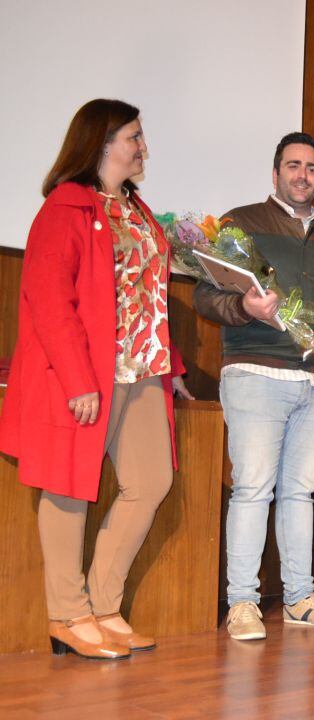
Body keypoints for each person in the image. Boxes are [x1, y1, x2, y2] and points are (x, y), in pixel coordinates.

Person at [0, 99, 183, 659]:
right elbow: (50, 301)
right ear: (101, 143)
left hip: (142, 371)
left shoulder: (137, 210)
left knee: (152, 481)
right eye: (133, 136)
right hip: (83, 374)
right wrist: (80, 379)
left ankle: (103, 605)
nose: (142, 146)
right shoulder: (67, 208)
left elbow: (148, 295)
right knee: (67, 487)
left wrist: (171, 369)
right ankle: (67, 614)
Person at [194, 132, 314, 640]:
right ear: (275, 173)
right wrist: (245, 307)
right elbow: (205, 296)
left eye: (311, 168)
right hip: (256, 374)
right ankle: (241, 602)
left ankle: (300, 600)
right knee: (252, 490)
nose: (302, 175)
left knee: (300, 494)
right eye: (293, 165)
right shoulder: (241, 224)